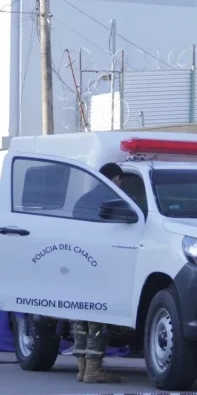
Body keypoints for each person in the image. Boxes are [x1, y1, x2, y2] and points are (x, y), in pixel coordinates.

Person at [73, 164, 123, 383]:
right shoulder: (113, 199)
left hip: (79, 263)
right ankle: (93, 370)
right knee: (96, 319)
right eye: (121, 180)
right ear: (115, 178)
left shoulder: (83, 199)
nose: (121, 185)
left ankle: (82, 369)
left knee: (80, 318)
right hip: (100, 263)